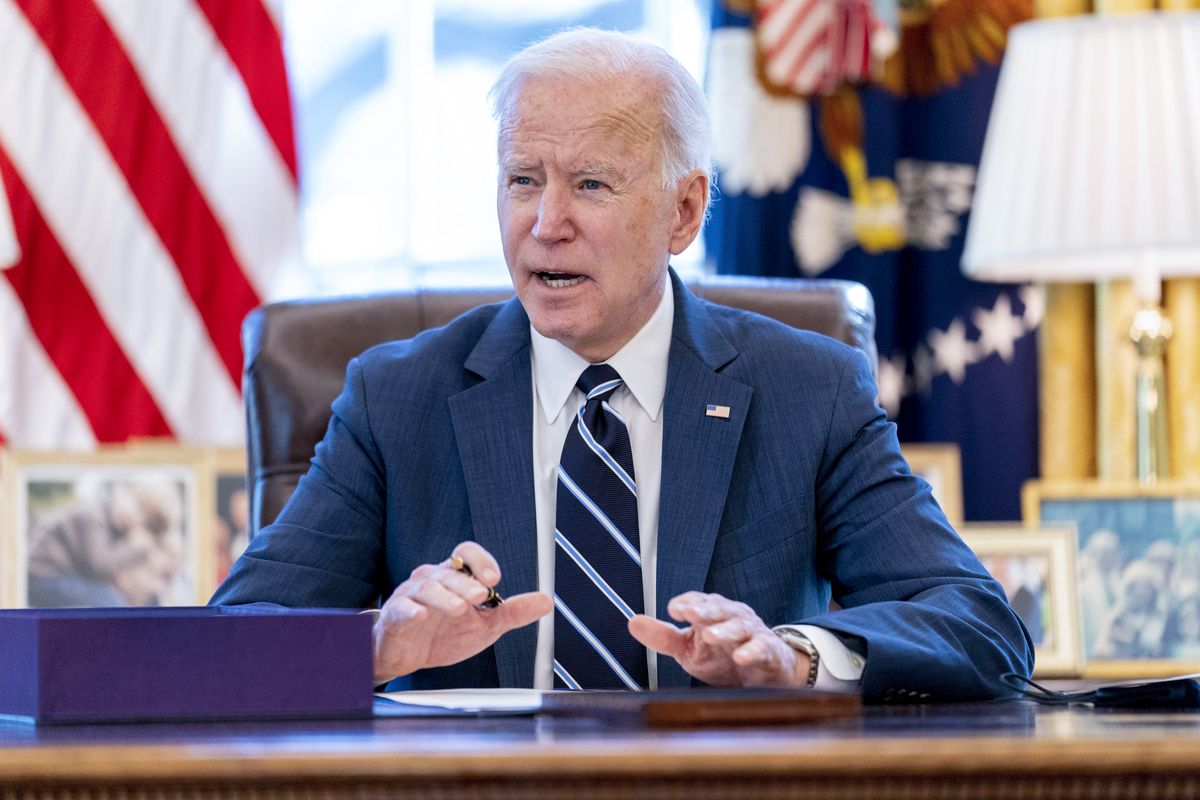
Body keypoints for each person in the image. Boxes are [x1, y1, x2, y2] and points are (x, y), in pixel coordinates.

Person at [212, 28, 1032, 702]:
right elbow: (220, 648)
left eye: (592, 184)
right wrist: (375, 645)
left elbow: (978, 626)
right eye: (522, 179)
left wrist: (795, 658)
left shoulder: (806, 390)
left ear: (684, 211)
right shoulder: (398, 397)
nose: (545, 222)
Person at [29, 477, 186, 608]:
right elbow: (99, 565)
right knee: (112, 604)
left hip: (68, 577)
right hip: (44, 576)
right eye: (141, 513)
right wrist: (133, 546)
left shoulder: (116, 527)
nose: (138, 524)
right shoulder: (93, 517)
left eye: (147, 524)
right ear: (129, 498)